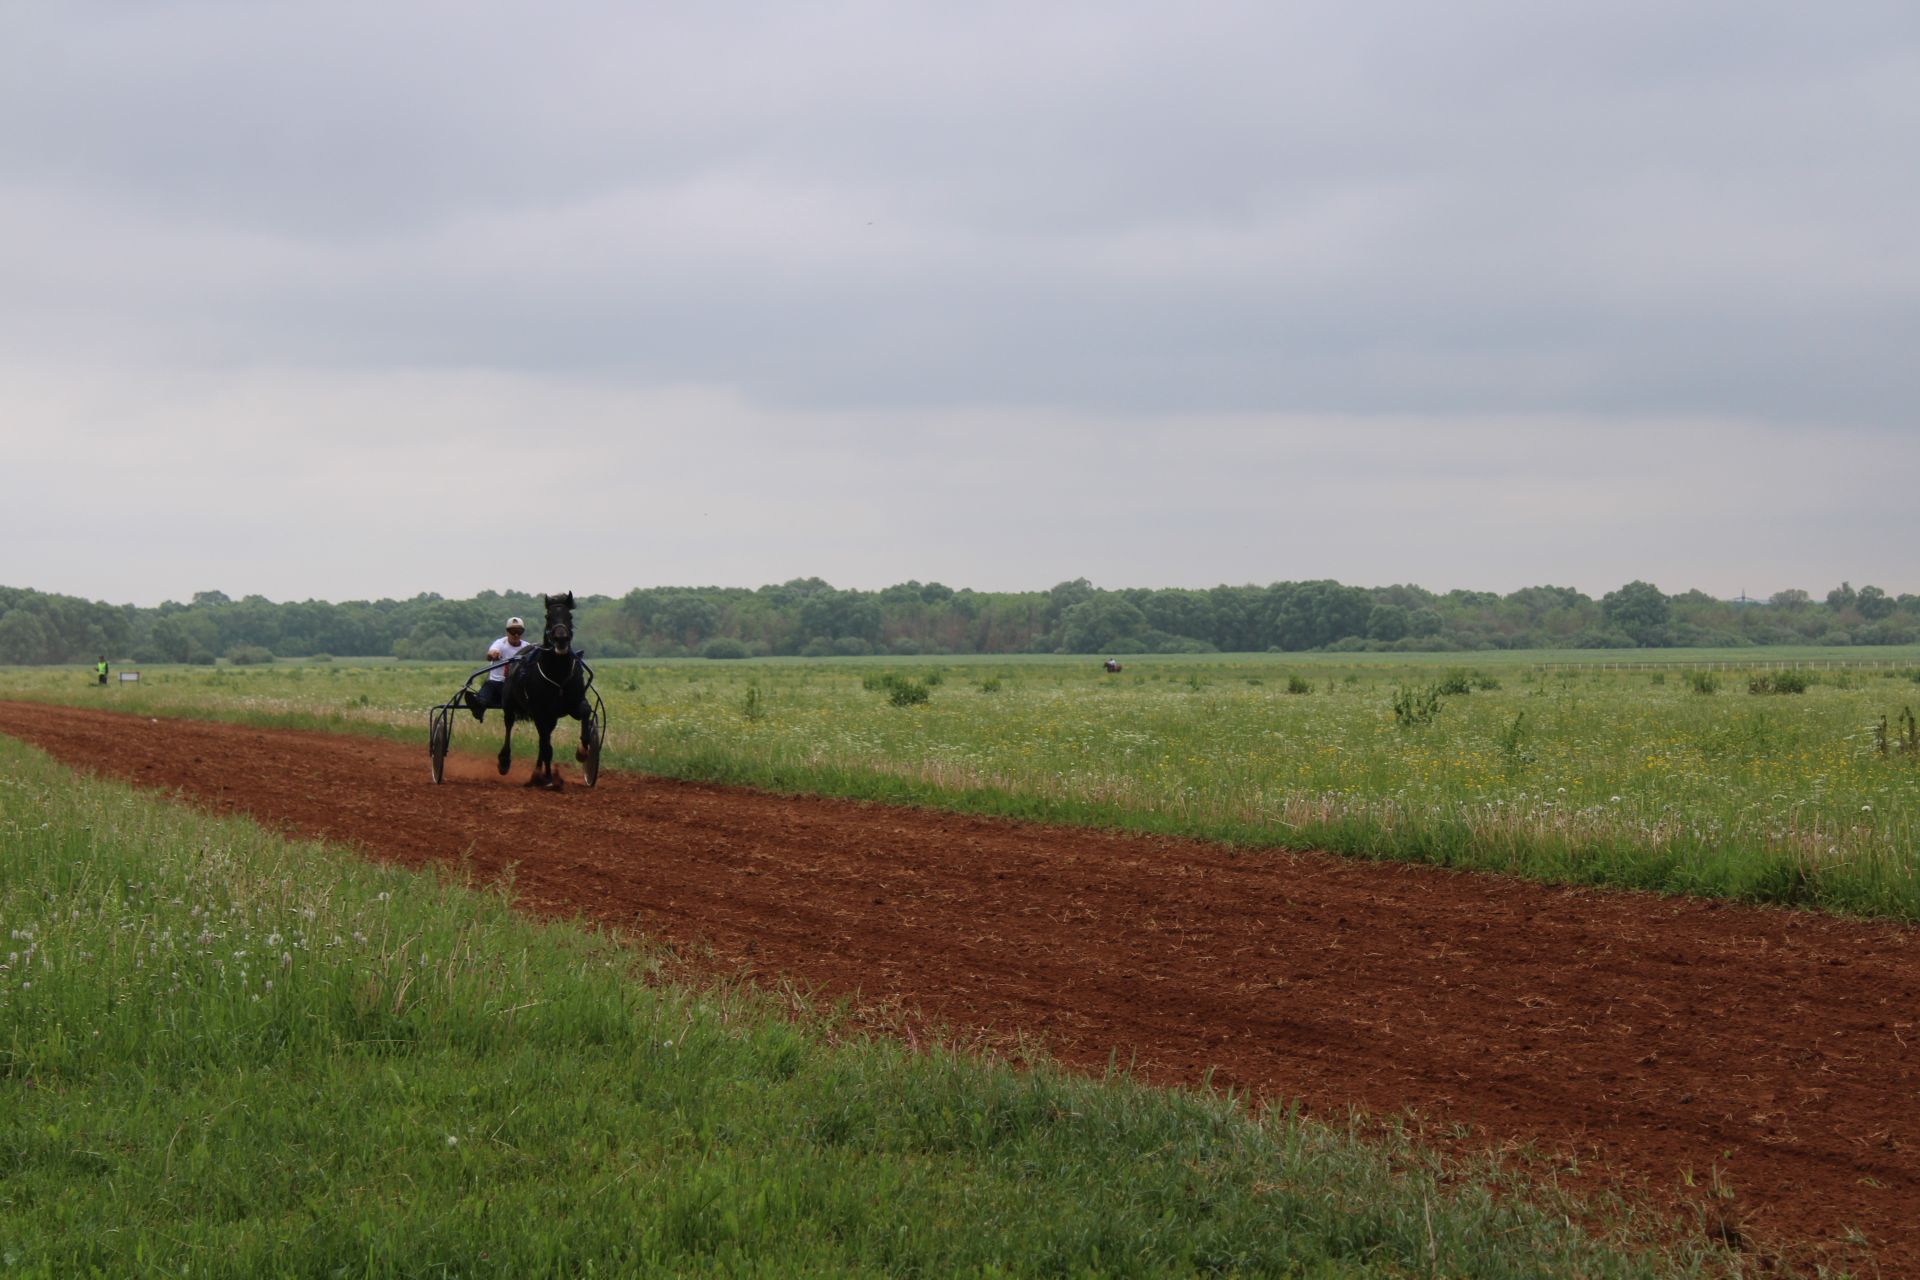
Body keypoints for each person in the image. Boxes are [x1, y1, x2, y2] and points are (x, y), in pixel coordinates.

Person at [465, 617, 535, 720]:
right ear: (507, 632)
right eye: (513, 631)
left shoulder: (527, 648)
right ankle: (479, 706)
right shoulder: (500, 643)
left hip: (515, 688)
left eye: (519, 632)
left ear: (522, 632)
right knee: (490, 684)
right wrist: (492, 654)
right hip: (498, 686)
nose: (516, 635)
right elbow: (490, 653)